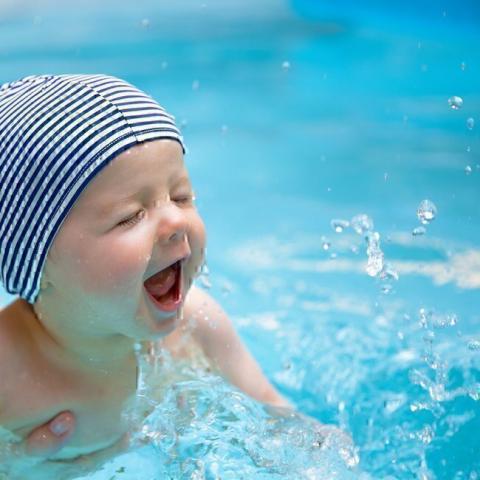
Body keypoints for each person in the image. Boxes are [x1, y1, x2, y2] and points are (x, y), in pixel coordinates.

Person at [0, 74, 288, 469]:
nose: (175, 222)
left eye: (181, 197)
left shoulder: (197, 326)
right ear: (35, 260)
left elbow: (280, 424)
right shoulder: (8, 371)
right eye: (130, 217)